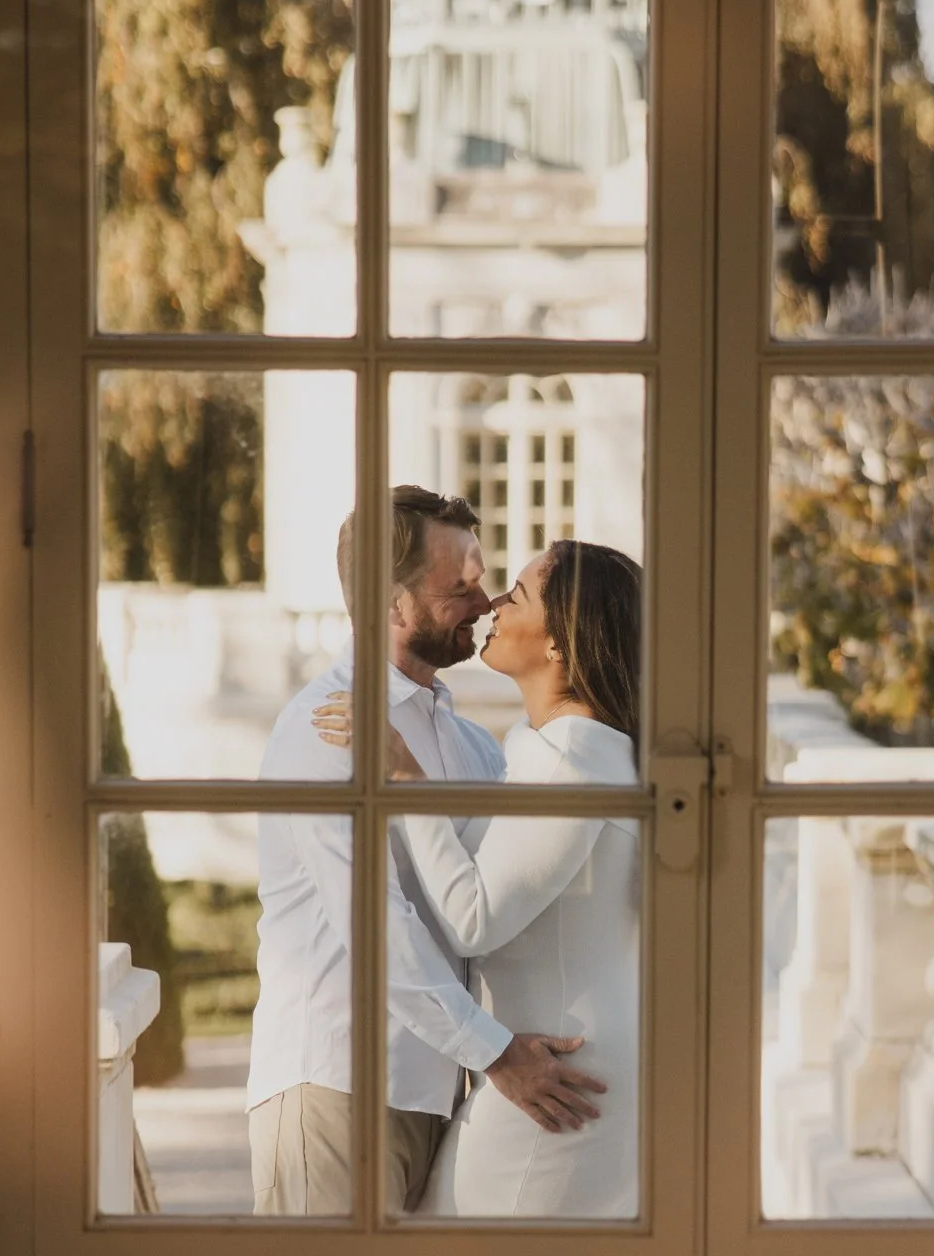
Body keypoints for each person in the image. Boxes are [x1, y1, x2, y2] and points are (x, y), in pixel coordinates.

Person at [246, 487, 607, 1215]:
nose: (482, 602)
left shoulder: (467, 742)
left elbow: (496, 897)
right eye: (459, 588)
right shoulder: (328, 730)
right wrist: (499, 1055)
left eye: (482, 579)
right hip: (335, 1088)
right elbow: (376, 930)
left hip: (437, 1092)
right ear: (392, 603)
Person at [316, 539, 642, 1219]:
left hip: (558, 1080)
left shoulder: (573, 757)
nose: (492, 602)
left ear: (560, 643)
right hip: (550, 1069)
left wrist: (403, 777)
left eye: (517, 595)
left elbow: (474, 916)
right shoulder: (553, 748)